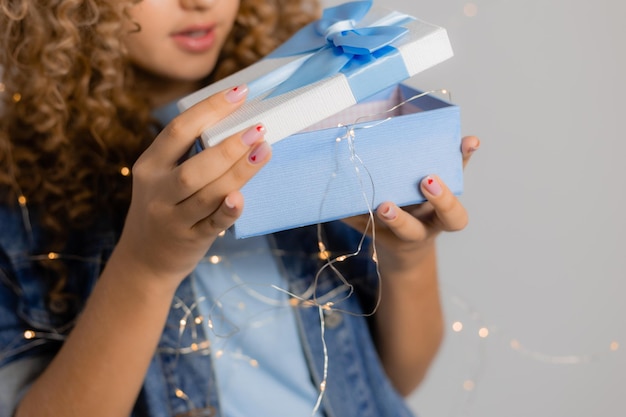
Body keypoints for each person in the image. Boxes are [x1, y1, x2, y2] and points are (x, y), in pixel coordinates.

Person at [0, 0, 480, 416]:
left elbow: (391, 382)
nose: (201, 3)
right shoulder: (18, 199)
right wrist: (147, 268)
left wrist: (408, 260)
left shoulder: (305, 127)